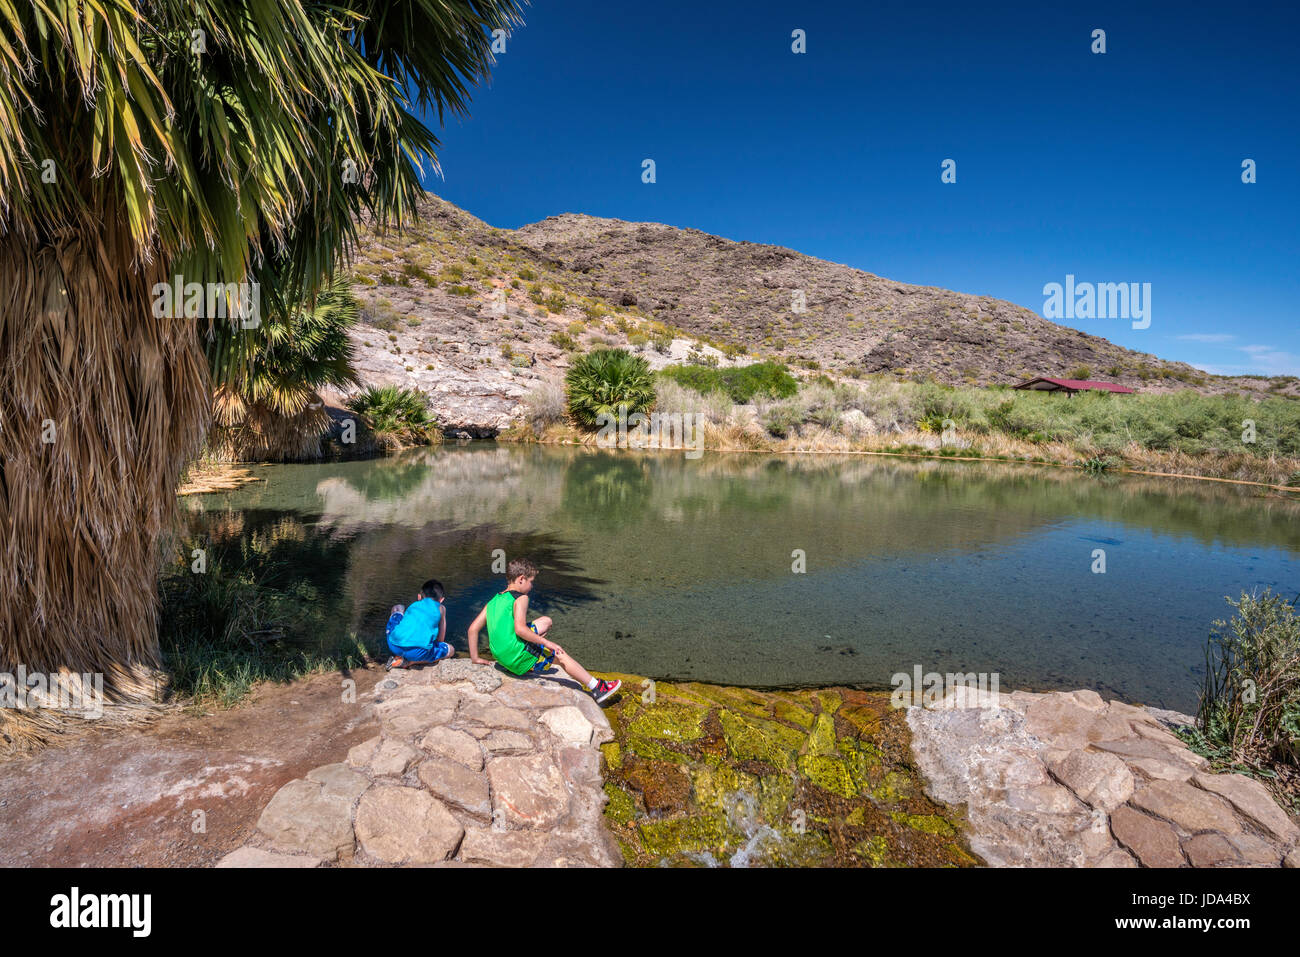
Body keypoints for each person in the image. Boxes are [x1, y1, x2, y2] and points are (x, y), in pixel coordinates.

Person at [467, 557, 621, 704]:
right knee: (560, 655)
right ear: (521, 579)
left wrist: (475, 658)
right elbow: (520, 630)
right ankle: (598, 688)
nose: (532, 586)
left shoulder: (494, 600)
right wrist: (547, 643)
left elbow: (472, 629)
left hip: (500, 657)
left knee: (545, 621)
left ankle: (531, 652)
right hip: (515, 656)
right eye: (531, 582)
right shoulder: (520, 598)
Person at [385, 579, 453, 669]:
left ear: (419, 597)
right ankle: (409, 662)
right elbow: (440, 640)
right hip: (418, 653)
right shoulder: (441, 608)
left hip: (394, 645)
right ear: (441, 600)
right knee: (451, 650)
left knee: (398, 607)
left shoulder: (415, 604)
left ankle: (399, 655)